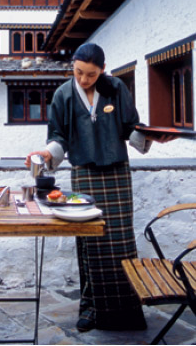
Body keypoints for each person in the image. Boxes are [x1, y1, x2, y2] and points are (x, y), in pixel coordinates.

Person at [25, 43, 172, 333]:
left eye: (90, 75)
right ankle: (91, 308)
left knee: (120, 242)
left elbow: (130, 127)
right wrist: (46, 154)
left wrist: (152, 137)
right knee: (90, 242)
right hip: (84, 174)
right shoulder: (63, 95)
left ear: (102, 70)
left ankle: (126, 311)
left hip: (117, 173)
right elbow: (58, 136)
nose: (83, 79)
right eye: (78, 72)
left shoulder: (117, 88)